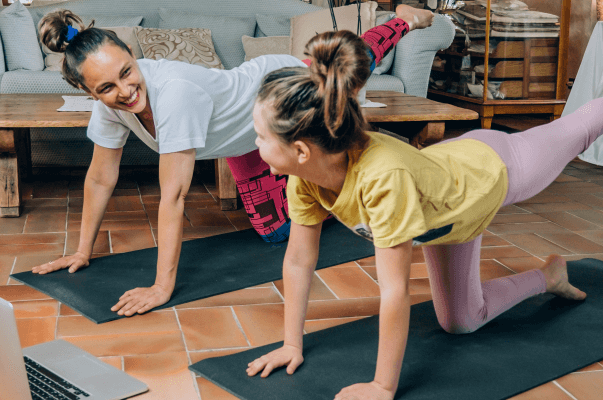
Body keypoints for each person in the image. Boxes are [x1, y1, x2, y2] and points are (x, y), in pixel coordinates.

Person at [245, 29, 591, 400]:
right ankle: (549, 277)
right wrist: (290, 345)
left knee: (580, 128)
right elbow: (298, 261)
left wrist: (382, 386)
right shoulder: (306, 177)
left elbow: (395, 291)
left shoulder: (383, 179)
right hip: (447, 216)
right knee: (461, 322)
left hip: (496, 169)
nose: (255, 143)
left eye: (261, 136)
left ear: (300, 150)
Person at [30, 6, 435, 318]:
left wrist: (161, 287)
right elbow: (101, 177)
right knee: (276, 234)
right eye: (106, 87)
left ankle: (400, 22)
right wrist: (82, 250)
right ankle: (323, 201)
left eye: (127, 72)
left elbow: (173, 197)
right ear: (88, 91)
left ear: (134, 56)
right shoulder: (110, 104)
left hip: (272, 94)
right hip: (241, 144)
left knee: (347, 66)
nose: (125, 90)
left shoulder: (174, 93)